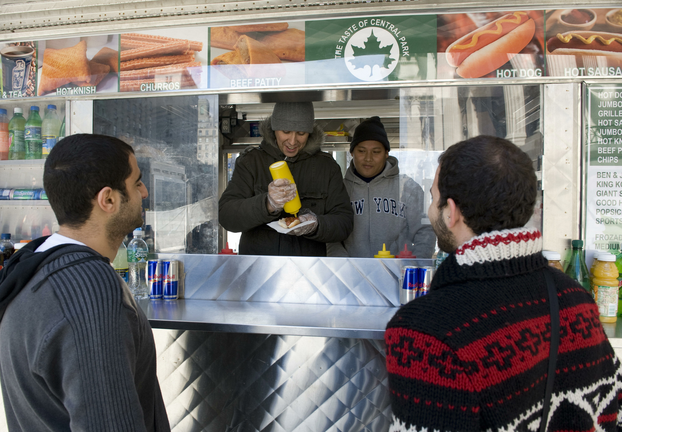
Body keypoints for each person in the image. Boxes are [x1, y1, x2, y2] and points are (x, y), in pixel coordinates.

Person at [384, 136, 622, 432]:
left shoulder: (424, 333)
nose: (432, 210)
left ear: (453, 211)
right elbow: (614, 416)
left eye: (434, 200)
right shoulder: (578, 300)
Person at [0, 134, 170, 432]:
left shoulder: (39, 265)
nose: (145, 191)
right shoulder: (88, 289)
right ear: (108, 199)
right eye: (137, 182)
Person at [218, 101, 353, 256]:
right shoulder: (252, 161)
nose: (292, 141)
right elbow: (226, 216)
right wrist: (267, 204)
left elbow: (345, 223)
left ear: (310, 133)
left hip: (308, 270)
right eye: (286, 131)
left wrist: (316, 225)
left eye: (301, 133)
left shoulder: (326, 166)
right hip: (260, 270)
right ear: (274, 129)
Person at [327, 117, 434, 258]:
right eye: (361, 151)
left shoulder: (407, 188)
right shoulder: (339, 189)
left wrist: (410, 267)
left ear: (386, 153)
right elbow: (330, 237)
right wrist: (345, 267)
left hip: (397, 276)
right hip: (351, 276)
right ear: (352, 153)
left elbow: (426, 232)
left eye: (376, 152)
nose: (368, 158)